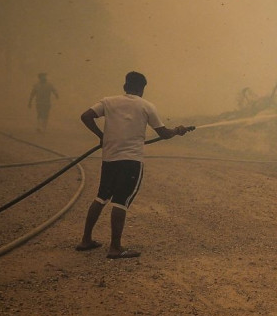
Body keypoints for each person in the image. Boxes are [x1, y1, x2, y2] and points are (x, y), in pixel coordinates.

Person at [76, 71, 191, 259]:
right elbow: (164, 133)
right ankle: (115, 248)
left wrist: (101, 136)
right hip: (130, 161)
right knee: (121, 201)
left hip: (110, 158)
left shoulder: (108, 101)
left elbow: (85, 116)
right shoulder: (146, 106)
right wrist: (177, 130)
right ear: (142, 89)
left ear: (125, 86)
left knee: (101, 197)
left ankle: (86, 240)